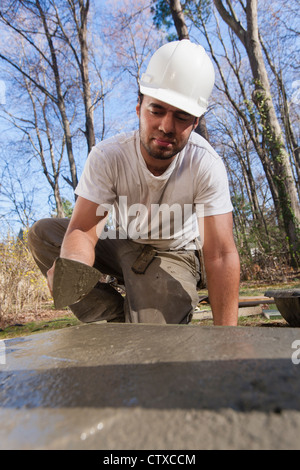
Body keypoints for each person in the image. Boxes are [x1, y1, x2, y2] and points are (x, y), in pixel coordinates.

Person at [28, 39, 240, 326]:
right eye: (157, 110)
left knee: (152, 344)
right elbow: (82, 229)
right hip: (124, 243)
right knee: (43, 233)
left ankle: (143, 318)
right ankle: (113, 321)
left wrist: (229, 341)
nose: (166, 126)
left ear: (195, 121)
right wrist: (74, 263)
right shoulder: (108, 157)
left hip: (175, 253)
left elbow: (220, 254)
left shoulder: (204, 164)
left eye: (181, 116)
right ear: (139, 107)